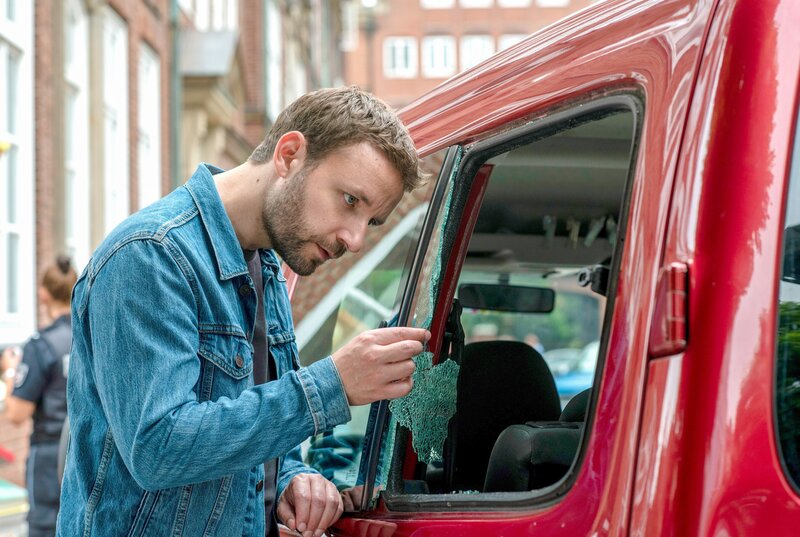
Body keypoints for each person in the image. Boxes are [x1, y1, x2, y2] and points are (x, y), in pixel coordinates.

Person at [57, 86, 430, 537]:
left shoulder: (268, 265)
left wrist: (291, 478)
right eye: (350, 200)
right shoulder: (150, 255)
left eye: (370, 221)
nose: (354, 239)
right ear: (289, 155)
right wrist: (332, 384)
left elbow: (243, 435)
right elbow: (158, 448)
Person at [1, 255, 77, 537]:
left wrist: (10, 373)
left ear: (43, 294)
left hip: (48, 458)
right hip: (85, 450)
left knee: (47, 528)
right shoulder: (88, 338)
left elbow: (16, 414)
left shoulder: (40, 346)